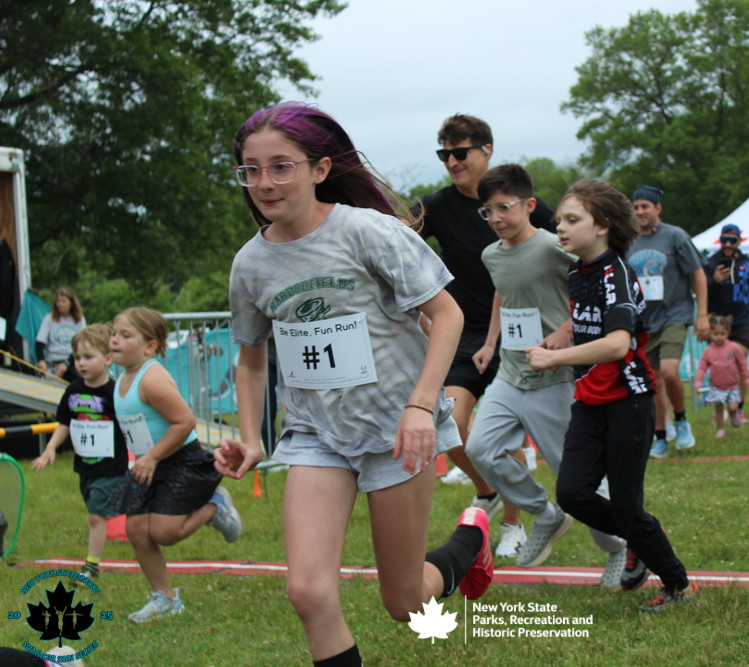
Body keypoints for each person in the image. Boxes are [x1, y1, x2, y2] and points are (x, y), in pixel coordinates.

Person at [215, 102, 493, 667]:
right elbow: (251, 359)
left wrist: (421, 407)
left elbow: (449, 315)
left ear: (320, 169)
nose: (264, 183)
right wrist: (250, 436)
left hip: (397, 428)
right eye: (251, 170)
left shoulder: (367, 231)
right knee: (307, 591)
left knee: (405, 602)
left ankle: (472, 541)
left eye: (281, 167)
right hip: (316, 435)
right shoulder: (251, 264)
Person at [526, 179, 696, 612]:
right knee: (572, 494)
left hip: (628, 402)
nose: (560, 228)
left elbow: (618, 344)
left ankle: (678, 585)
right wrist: (563, 333)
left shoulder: (615, 274)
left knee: (626, 505)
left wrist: (554, 359)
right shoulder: (577, 271)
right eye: (559, 220)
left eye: (571, 220)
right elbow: (590, 321)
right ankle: (639, 537)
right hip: (589, 402)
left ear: (602, 225)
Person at [466, 164, 627, 579]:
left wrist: (565, 330)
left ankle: (620, 547)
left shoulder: (556, 247)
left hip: (555, 376)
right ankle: (545, 513)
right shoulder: (490, 254)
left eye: (504, 207)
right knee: (479, 448)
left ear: (529, 205)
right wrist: (490, 343)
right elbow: (504, 292)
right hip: (510, 373)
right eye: (488, 211)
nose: (496, 218)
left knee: (576, 477)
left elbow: (596, 289)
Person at [418, 113, 555, 524]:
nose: (452, 162)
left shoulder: (521, 202)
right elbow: (397, 245)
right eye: (444, 154)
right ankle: (487, 491)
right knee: (451, 423)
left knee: (506, 431)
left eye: (460, 153)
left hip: (522, 330)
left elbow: (571, 248)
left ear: (486, 150)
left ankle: (515, 523)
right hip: (465, 334)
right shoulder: (436, 206)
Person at [110, 307, 242, 623]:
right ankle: (166, 599)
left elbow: (184, 422)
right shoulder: (122, 376)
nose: (114, 340)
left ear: (150, 346)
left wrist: (152, 457)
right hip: (148, 464)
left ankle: (215, 507)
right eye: (113, 333)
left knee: (165, 532)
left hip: (177, 460)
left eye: (125, 335)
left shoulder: (152, 378)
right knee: (136, 530)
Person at [31, 324, 128, 583]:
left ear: (108, 358)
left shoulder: (116, 392)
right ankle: (138, 507)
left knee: (95, 516)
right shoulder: (73, 390)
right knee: (101, 512)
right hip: (85, 467)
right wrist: (49, 449)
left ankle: (91, 567)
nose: (81, 363)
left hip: (111, 467)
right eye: (77, 357)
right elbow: (65, 422)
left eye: (88, 357)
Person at [626, 185, 708, 456]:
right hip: (644, 321)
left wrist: (702, 315)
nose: (640, 212)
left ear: (658, 209)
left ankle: (681, 420)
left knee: (670, 372)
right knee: (653, 382)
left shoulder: (675, 236)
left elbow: (698, 274)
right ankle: (660, 435)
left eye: (645, 207)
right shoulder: (628, 240)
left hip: (675, 314)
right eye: (636, 207)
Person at [703, 223, 749, 421]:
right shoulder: (710, 263)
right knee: (719, 365)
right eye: (725, 240)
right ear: (720, 240)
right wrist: (714, 280)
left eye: (732, 240)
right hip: (717, 320)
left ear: (739, 241)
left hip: (741, 318)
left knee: (738, 359)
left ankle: (737, 408)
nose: (728, 244)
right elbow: (702, 291)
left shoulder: (748, 263)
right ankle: (720, 408)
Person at [694, 314, 749, 438]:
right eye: (716, 334)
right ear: (710, 333)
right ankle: (720, 430)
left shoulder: (733, 348)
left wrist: (747, 378)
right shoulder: (708, 351)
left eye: (722, 334)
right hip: (716, 387)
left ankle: (733, 414)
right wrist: (698, 382)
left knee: (733, 407)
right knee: (718, 409)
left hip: (733, 386)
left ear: (728, 333)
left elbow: (742, 363)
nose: (719, 337)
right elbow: (702, 367)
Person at [35, 286, 86, 379]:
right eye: (58, 301)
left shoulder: (79, 319)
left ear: (71, 303)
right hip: (52, 361)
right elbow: (40, 341)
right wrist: (41, 360)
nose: (60, 304)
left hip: (72, 360)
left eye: (63, 301)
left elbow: (82, 345)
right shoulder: (49, 318)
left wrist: (66, 363)